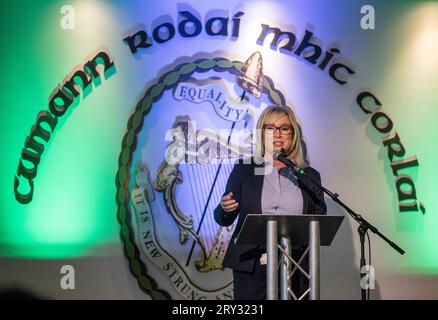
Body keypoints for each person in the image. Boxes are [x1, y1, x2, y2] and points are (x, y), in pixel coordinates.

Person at [214, 105, 327, 300]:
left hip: (296, 265)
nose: (277, 134)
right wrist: (225, 208)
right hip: (252, 265)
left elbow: (319, 218)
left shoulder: (308, 175)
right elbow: (223, 217)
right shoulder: (245, 169)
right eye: (270, 128)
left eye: (284, 128)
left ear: (292, 134)